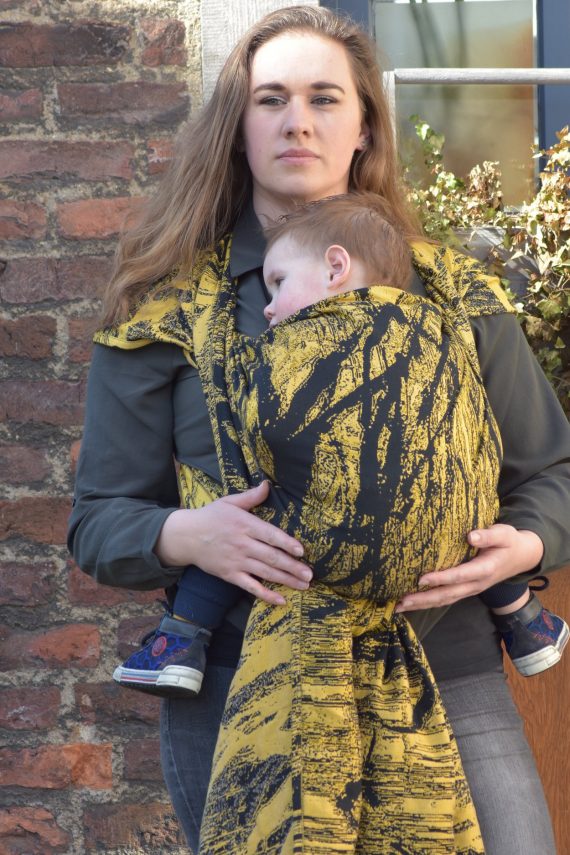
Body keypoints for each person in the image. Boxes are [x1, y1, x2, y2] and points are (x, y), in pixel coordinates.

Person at [67, 6, 570, 854]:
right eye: (270, 99)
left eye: (324, 98)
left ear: (365, 126)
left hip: (448, 672)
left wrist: (524, 546)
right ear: (238, 129)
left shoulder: (454, 292)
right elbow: (99, 519)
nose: (297, 121)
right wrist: (189, 534)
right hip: (243, 686)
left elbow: (552, 471)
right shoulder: (165, 310)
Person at [111, 192, 569, 699]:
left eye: (279, 283)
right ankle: (524, 619)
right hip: (435, 531)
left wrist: (530, 543)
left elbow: (266, 426)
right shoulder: (438, 323)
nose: (268, 307)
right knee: (470, 517)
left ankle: (181, 638)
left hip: (337, 576)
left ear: (335, 268)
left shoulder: (295, 343)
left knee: (254, 518)